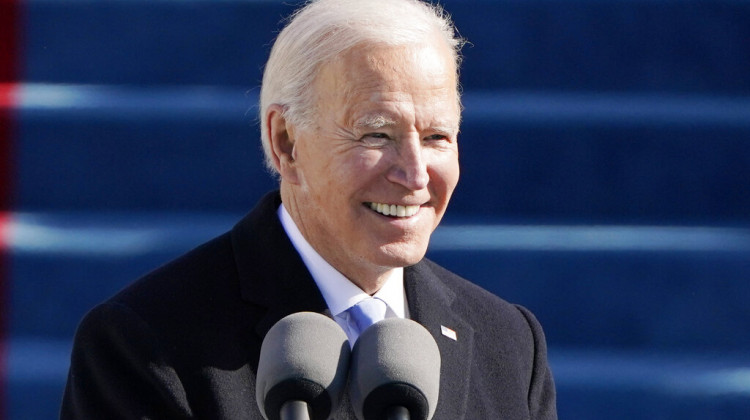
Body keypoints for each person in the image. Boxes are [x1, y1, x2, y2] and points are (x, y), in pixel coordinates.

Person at [61, 0, 557, 418]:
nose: (414, 174)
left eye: (436, 138)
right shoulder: (145, 344)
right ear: (286, 143)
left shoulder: (509, 343)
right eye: (376, 134)